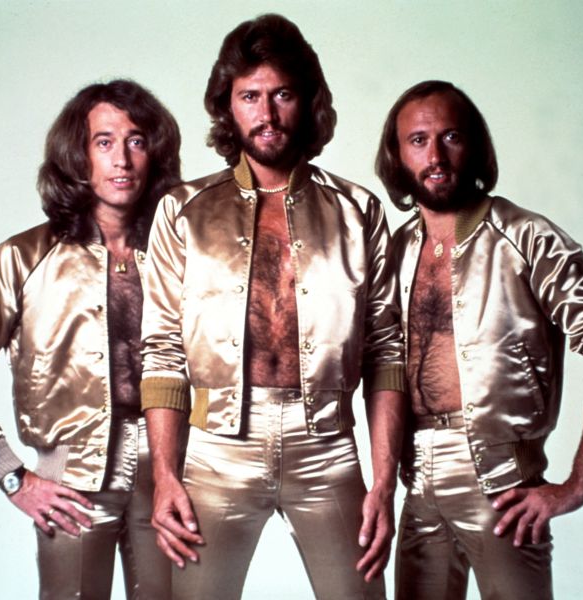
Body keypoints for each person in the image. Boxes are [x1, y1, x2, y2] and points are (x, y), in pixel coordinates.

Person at [139, 14, 407, 600]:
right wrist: (164, 476)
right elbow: (161, 353)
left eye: (282, 94)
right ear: (227, 106)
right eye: (249, 96)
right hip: (216, 451)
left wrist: (384, 483)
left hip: (328, 448)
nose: (267, 113)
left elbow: (388, 353)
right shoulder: (183, 211)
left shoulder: (358, 211)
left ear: (308, 101)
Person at [375, 80, 583, 599]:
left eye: (451, 137)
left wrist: (577, 485)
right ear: (398, 155)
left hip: (503, 483)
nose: (435, 156)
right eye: (418, 140)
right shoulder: (397, 250)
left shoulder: (525, 236)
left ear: (474, 145)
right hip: (418, 480)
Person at [0, 79, 181, 599]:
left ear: (155, 153)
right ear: (78, 156)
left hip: (174, 473)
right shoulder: (24, 258)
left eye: (136, 141)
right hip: (72, 478)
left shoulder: (180, 257)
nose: (122, 159)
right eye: (104, 142)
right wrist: (11, 474)